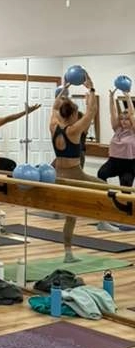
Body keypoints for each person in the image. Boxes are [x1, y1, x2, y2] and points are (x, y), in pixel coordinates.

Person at [51, 78, 99, 262]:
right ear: (72, 115)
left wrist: (63, 90)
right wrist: (91, 89)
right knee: (106, 188)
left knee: (71, 215)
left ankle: (68, 253)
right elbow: (92, 111)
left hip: (58, 174)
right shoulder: (74, 130)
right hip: (75, 175)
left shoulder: (53, 127)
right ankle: (104, 220)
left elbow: (54, 107)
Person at [96, 90, 135, 230]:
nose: (124, 121)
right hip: (113, 162)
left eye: (126, 119)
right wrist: (111, 97)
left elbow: (132, 113)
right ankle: (108, 202)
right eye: (122, 119)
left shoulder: (133, 131)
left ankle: (129, 218)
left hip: (129, 164)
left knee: (126, 190)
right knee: (101, 174)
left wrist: (128, 97)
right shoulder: (117, 130)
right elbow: (112, 113)